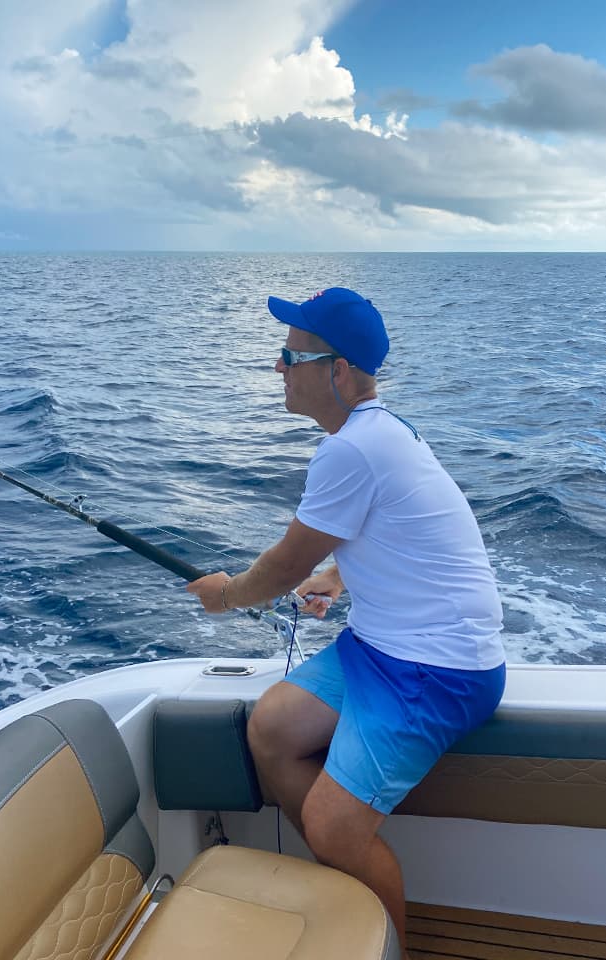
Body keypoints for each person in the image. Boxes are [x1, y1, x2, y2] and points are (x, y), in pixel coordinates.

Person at [187, 286, 505, 952]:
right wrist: (336, 578)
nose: (277, 366)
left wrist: (224, 595)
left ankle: (388, 941)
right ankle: (345, 892)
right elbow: (400, 537)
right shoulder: (379, 435)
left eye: (289, 356)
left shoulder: (351, 449)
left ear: (338, 371)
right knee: (271, 728)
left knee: (334, 828)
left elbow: (275, 570)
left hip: (437, 668)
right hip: (382, 648)